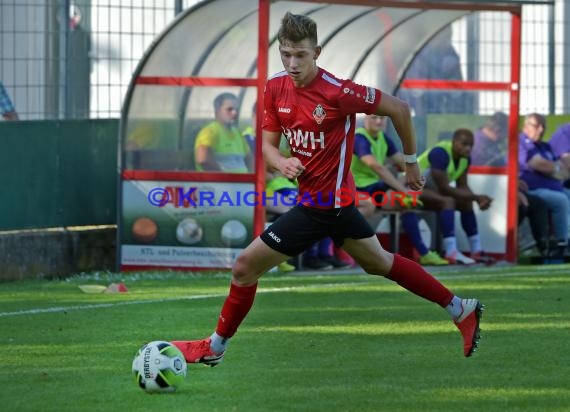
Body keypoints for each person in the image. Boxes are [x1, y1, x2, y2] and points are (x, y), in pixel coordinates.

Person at [171, 12, 484, 366]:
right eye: (286, 54)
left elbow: (399, 108)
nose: (292, 63)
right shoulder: (275, 87)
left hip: (323, 207)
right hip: (330, 204)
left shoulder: (338, 92)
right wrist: (281, 163)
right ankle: (461, 309)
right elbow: (268, 146)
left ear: (316, 51)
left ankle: (215, 347)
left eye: (301, 55)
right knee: (381, 262)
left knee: (244, 266)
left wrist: (411, 162)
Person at [351, 114, 448, 266]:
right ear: (366, 119)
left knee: (406, 203)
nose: (378, 121)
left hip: (373, 188)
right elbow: (377, 168)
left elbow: (402, 162)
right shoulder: (359, 138)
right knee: (401, 198)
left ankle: (423, 253)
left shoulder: (384, 138)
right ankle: (346, 249)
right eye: (375, 117)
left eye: (382, 118)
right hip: (355, 189)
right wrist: (402, 189)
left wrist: (417, 177)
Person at [417, 129, 494, 265]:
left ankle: (476, 250)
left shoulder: (465, 158)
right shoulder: (440, 153)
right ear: (454, 142)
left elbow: (462, 185)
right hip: (412, 189)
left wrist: (476, 200)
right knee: (448, 201)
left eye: (471, 145)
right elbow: (444, 188)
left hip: (431, 190)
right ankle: (451, 251)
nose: (468, 148)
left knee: (466, 203)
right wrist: (476, 197)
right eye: (464, 144)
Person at [519, 114, 570, 257]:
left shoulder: (545, 147)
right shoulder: (521, 143)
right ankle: (562, 243)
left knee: (566, 195)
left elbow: (564, 171)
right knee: (560, 200)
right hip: (531, 189)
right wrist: (554, 169)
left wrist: (553, 169)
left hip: (554, 187)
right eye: (537, 126)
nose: (541, 130)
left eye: (543, 126)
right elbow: (540, 164)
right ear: (526, 126)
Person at [194, 92, 253, 172]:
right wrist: (226, 179)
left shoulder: (238, 133)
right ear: (217, 110)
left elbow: (250, 159)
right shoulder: (209, 132)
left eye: (236, 109)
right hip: (221, 183)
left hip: (243, 183)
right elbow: (203, 159)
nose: (234, 113)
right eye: (229, 109)